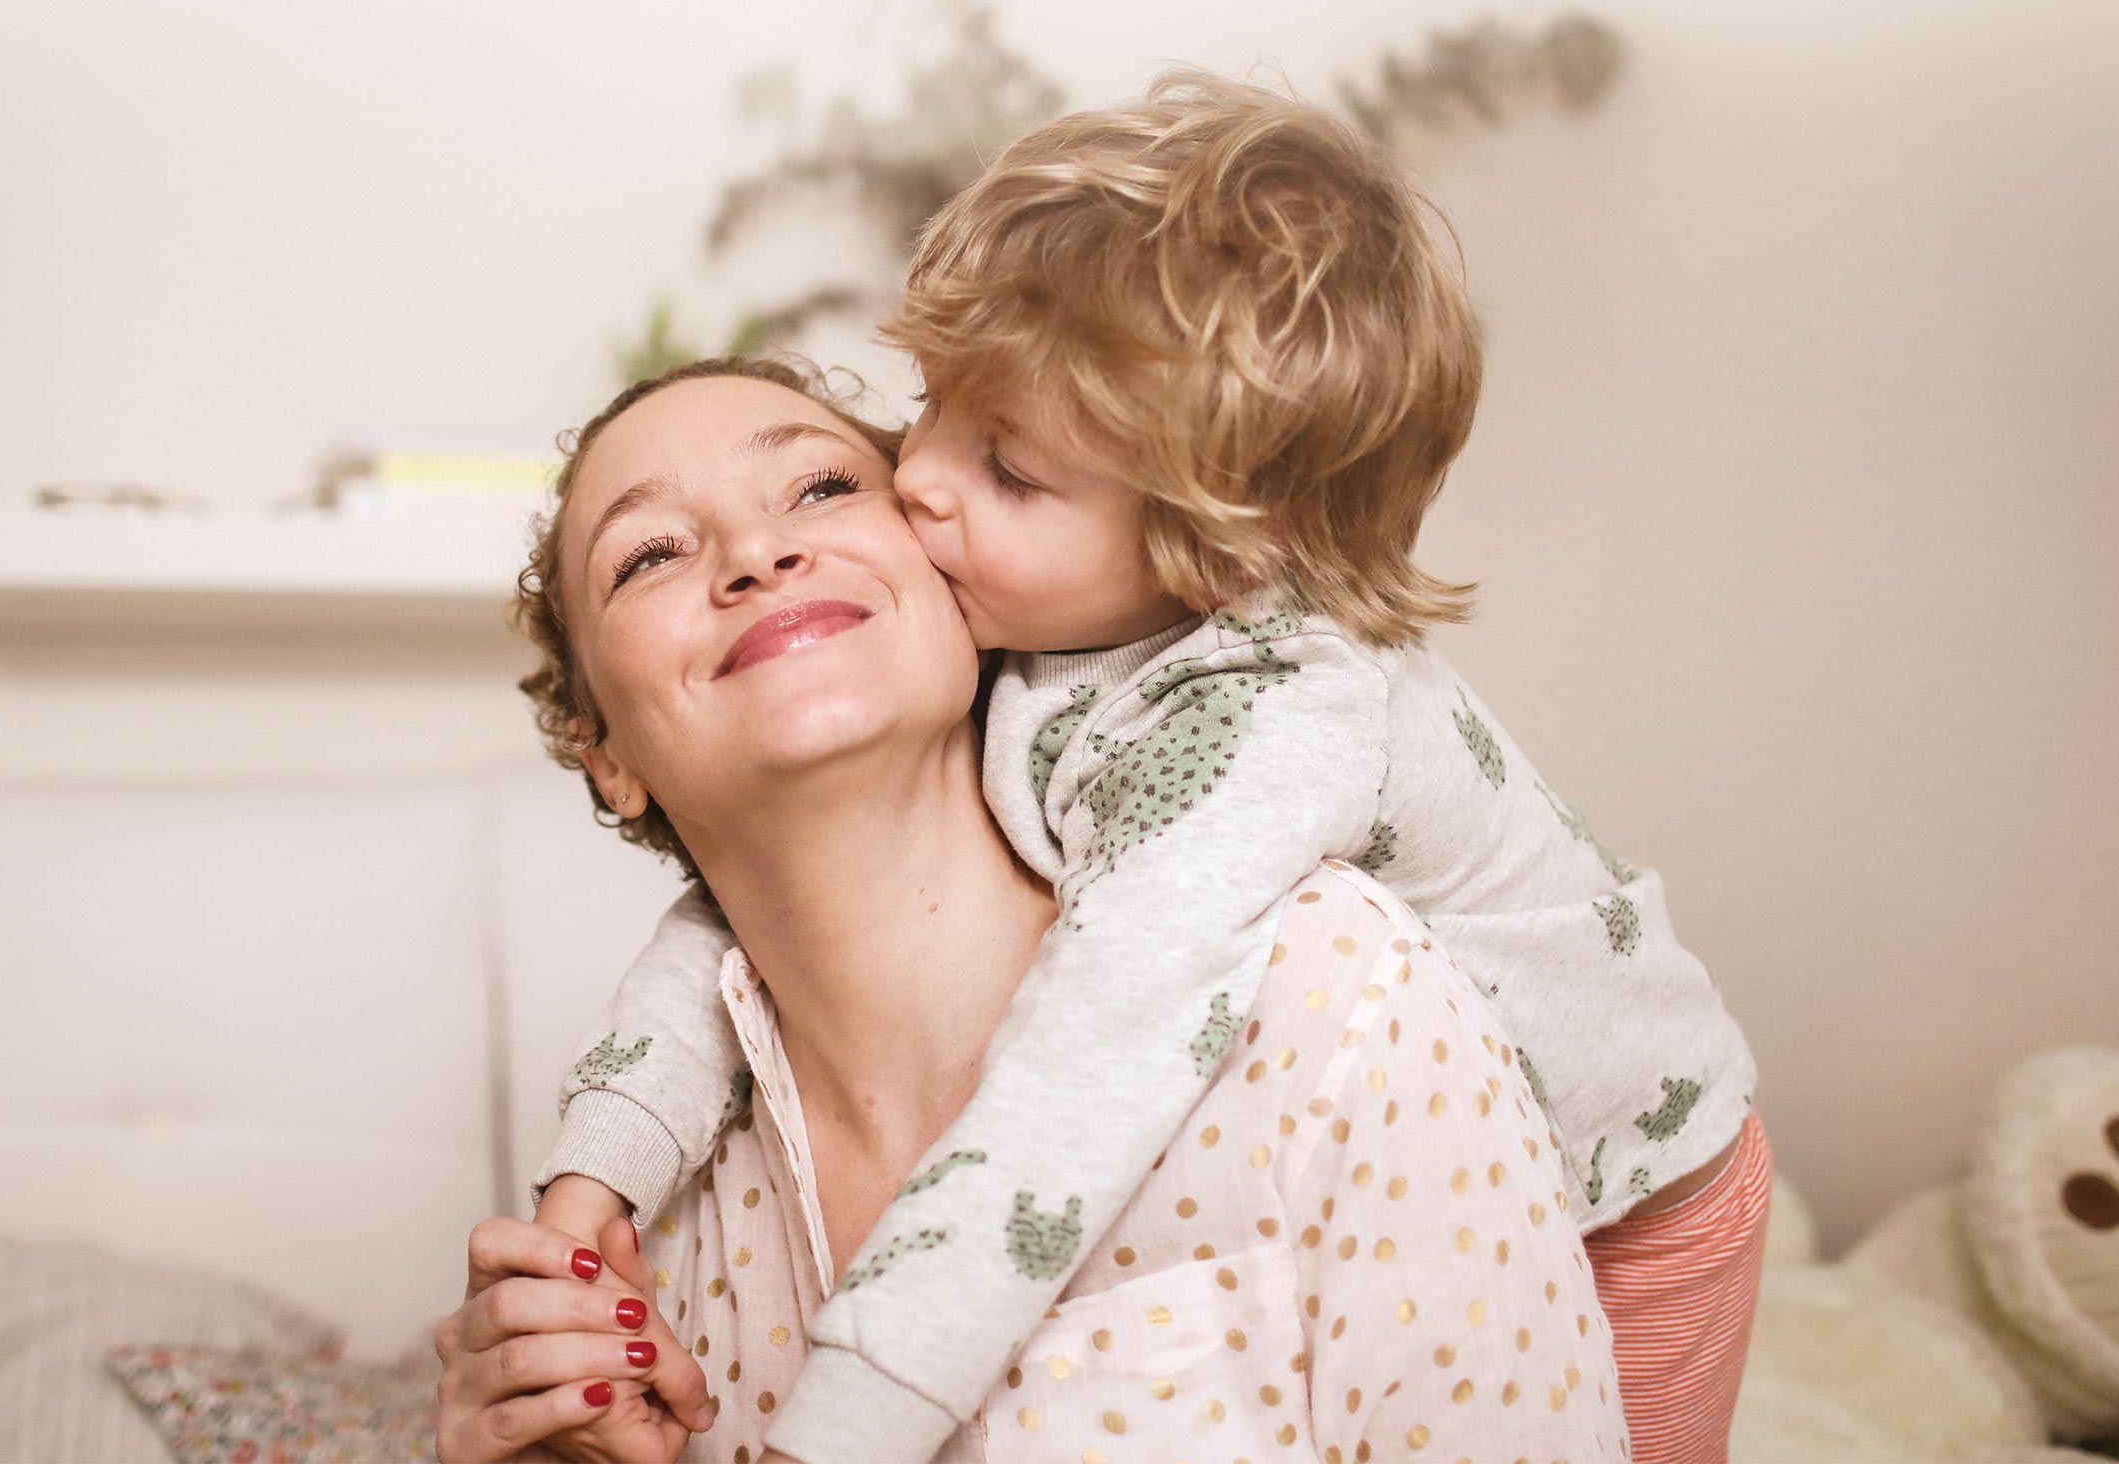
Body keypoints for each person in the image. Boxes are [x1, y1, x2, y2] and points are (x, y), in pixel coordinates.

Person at [526, 72, 1769, 1464]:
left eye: (1003, 469)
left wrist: (841, 1427)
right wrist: (589, 1182)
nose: (917, 482)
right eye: (928, 411)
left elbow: (1090, 1065)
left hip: (1650, 1189)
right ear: (604, 750)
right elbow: (729, 935)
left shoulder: (1269, 756)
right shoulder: (1041, 632)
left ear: (1215, 556)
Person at [434, 358, 1627, 1462]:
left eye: (822, 486)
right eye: (648, 554)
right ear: (606, 752)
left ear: (954, 577)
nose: (754, 551)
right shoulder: (641, 1248)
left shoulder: (1333, 990)